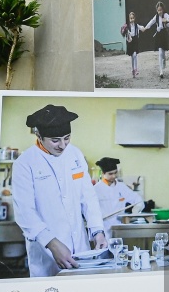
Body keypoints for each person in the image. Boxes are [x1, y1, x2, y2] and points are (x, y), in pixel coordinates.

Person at [11, 104, 108, 276]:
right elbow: (25, 212)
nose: (62, 145)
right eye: (55, 140)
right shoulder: (24, 163)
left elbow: (88, 197)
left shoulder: (75, 155)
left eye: (67, 138)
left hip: (81, 248)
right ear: (39, 136)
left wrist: (98, 231)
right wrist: (52, 243)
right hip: (46, 253)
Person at [92, 156, 145, 232]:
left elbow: (138, 200)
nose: (114, 176)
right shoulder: (96, 189)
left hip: (119, 229)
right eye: (110, 174)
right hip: (102, 230)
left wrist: (135, 210)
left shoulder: (122, 187)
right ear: (103, 173)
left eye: (115, 173)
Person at [143, 2, 169, 79]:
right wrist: (146, 27)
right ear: (156, 10)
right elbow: (151, 22)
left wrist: (166, 20)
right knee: (160, 52)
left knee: (163, 52)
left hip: (164, 34)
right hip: (159, 35)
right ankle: (161, 71)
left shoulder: (165, 15)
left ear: (163, 9)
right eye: (158, 10)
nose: (159, 12)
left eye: (160, 10)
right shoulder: (156, 16)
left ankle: (164, 60)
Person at [121, 11, 144, 78]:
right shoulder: (127, 26)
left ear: (135, 18)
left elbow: (141, 27)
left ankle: (135, 69)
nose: (132, 19)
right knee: (132, 56)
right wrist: (125, 32)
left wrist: (144, 28)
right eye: (131, 18)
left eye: (133, 18)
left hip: (135, 41)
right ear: (129, 19)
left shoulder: (136, 25)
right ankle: (133, 69)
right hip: (130, 42)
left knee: (134, 55)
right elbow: (123, 32)